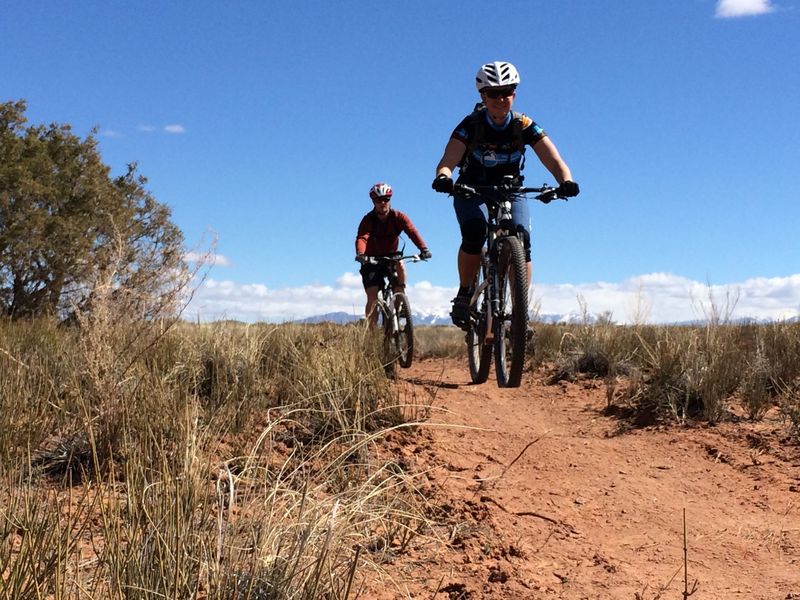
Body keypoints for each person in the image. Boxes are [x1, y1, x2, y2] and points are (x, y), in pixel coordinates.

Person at [431, 61, 580, 328]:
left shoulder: (523, 125)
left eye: (507, 91)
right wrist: (444, 176)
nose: (501, 98)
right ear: (482, 96)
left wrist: (566, 181)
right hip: (472, 189)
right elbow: (448, 159)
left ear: (515, 93)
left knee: (521, 238)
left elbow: (553, 159)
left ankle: (520, 311)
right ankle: (466, 292)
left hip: (511, 189)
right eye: (493, 93)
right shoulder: (471, 125)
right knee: (474, 232)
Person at [355, 182, 432, 325]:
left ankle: (400, 302)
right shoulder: (368, 220)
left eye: (386, 199)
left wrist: (424, 249)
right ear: (373, 202)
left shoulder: (398, 217)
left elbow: (412, 232)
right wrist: (361, 254)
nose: (382, 202)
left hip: (392, 256)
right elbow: (362, 238)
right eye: (379, 200)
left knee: (400, 265)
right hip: (371, 259)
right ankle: (371, 335)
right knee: (372, 296)